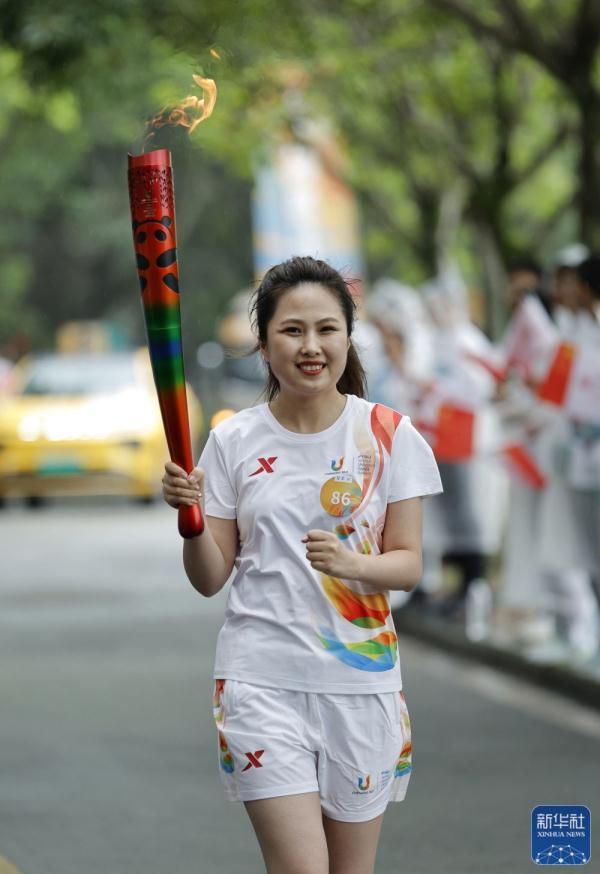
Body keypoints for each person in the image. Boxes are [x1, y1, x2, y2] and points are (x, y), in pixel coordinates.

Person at [162, 256, 443, 874]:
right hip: (261, 681)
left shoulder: (391, 436)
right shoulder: (234, 441)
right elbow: (211, 577)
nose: (311, 346)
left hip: (361, 685)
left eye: (326, 329)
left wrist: (353, 564)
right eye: (292, 331)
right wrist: (189, 519)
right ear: (262, 344)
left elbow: (409, 564)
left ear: (348, 336)